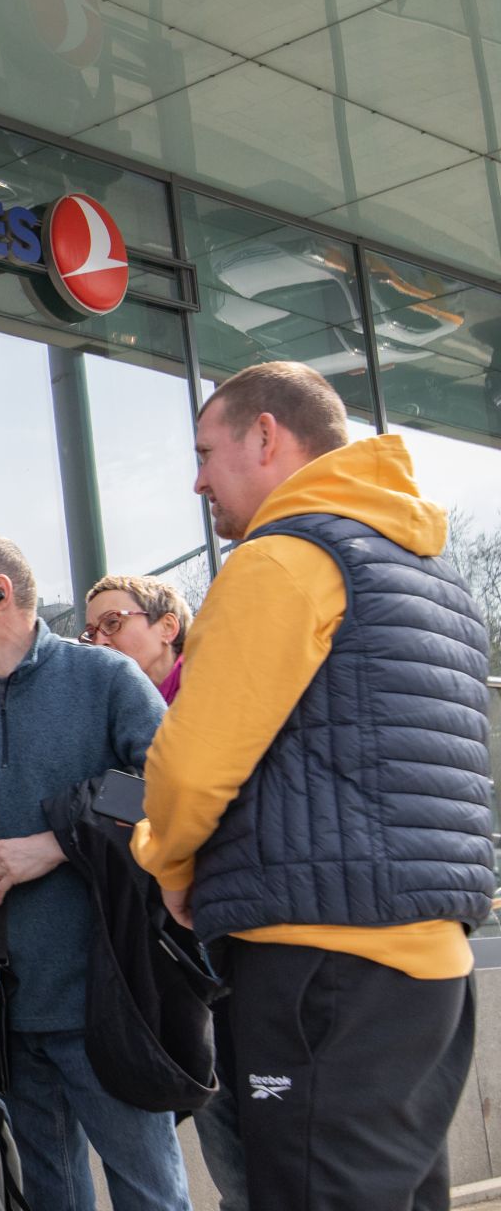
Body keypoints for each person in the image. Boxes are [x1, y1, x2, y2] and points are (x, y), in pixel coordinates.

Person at [133, 361, 494, 1211]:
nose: (196, 480)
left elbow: (190, 767)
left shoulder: (285, 560)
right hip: (432, 966)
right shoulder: (431, 576)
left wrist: (170, 867)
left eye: (206, 452)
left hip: (317, 966)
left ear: (266, 436)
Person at [0, 535, 189, 1211]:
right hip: (3, 1006)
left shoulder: (105, 678)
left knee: (149, 1193)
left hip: (109, 996)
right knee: (48, 1199)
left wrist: (59, 843)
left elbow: (169, 783)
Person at [84, 573, 244, 1209]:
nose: (99, 640)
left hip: (227, 937)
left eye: (114, 623)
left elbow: (172, 794)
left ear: (168, 627)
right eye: (90, 630)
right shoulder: (104, 714)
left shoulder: (208, 701)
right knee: (220, 1130)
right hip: (159, 958)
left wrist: (100, 805)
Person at [80, 574, 189, 703]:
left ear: (167, 627)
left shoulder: (210, 685)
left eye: (112, 622)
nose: (98, 643)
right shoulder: (109, 707)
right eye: (91, 634)